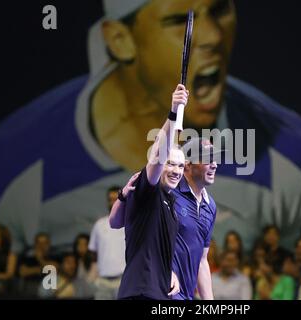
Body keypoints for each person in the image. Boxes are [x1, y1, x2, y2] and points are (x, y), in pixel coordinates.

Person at [0, 0, 301, 257]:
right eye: (179, 20)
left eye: (220, 10)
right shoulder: (11, 173)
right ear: (120, 40)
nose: (213, 36)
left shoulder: (290, 158)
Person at [111, 137, 220, 300]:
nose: (214, 164)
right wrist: (166, 271)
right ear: (189, 165)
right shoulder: (165, 190)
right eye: (207, 159)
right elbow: (116, 222)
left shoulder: (210, 206)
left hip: (186, 295)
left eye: (215, 159)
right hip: (162, 289)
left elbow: (202, 261)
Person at [115, 84, 187, 300]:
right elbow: (157, 154)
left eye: (181, 166)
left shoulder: (171, 202)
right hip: (140, 293)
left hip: (159, 295)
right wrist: (173, 111)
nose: (176, 171)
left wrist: (170, 272)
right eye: (171, 164)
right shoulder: (148, 190)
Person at [88, 187, 125, 300]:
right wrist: (93, 272)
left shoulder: (129, 222)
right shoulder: (99, 224)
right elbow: (93, 251)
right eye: (110, 199)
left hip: (124, 279)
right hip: (103, 281)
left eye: (116, 199)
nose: (113, 202)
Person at [18, 233, 59, 298]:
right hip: (29, 289)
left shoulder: (55, 257)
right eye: (39, 243)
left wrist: (40, 259)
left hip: (47, 291)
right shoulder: (28, 258)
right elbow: (22, 272)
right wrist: (41, 269)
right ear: (35, 245)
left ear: (49, 244)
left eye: (44, 243)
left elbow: (53, 269)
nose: (41, 246)